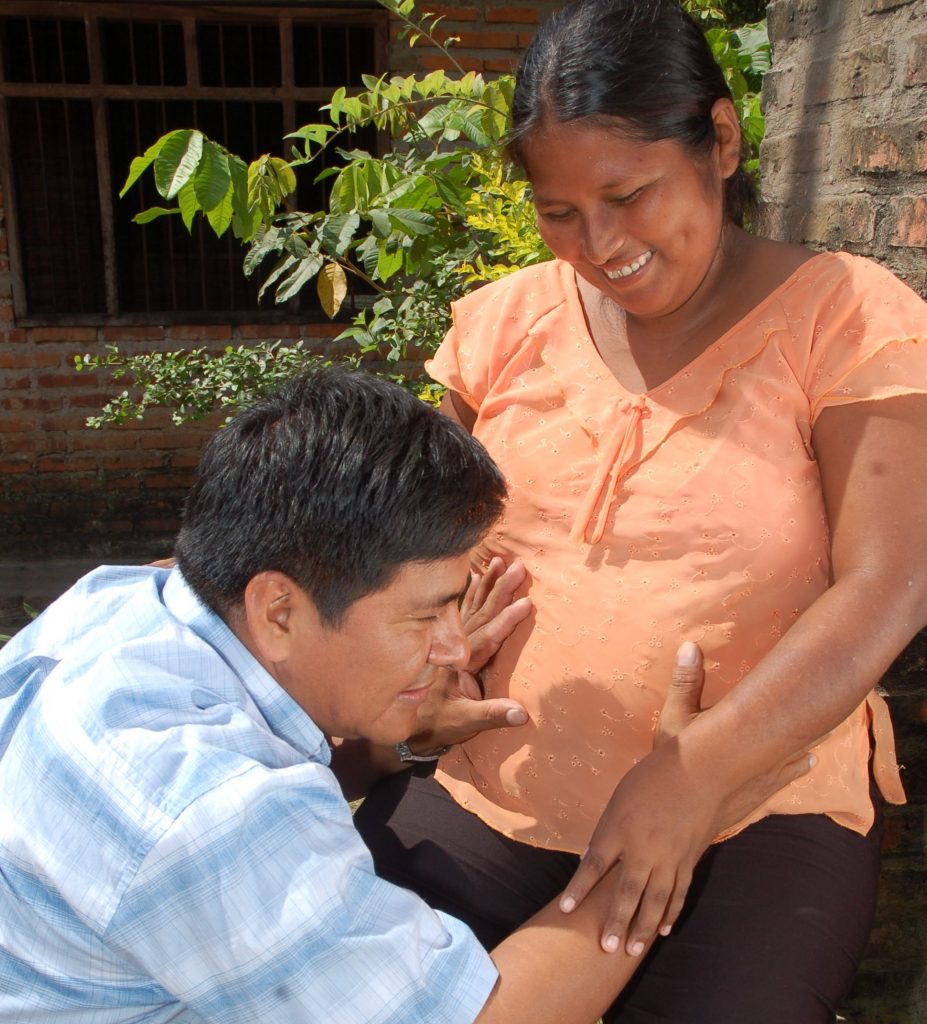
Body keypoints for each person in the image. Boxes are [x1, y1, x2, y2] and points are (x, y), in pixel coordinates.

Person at [352, 2, 927, 1021]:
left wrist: (692, 772)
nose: (598, 243)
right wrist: (406, 704)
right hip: (498, 786)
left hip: (755, 805)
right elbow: (414, 557)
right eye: (559, 210)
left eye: (628, 194)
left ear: (720, 138)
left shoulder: (845, 315)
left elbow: (891, 583)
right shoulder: (504, 326)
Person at [0, 368, 803, 1023]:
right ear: (279, 609)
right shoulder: (210, 819)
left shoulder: (120, 608)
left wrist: (394, 742)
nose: (456, 647)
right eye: (425, 614)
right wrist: (661, 835)